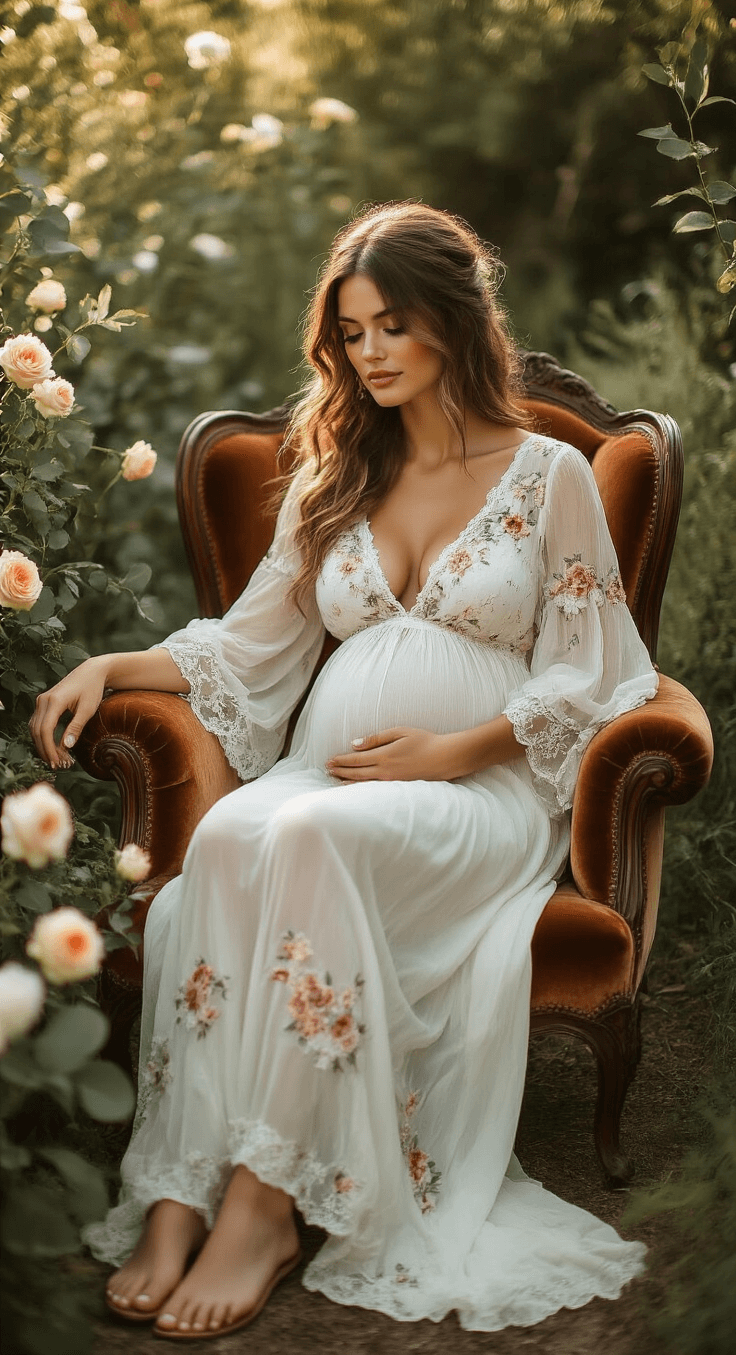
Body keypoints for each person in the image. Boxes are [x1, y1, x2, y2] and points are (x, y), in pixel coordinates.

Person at [31, 202, 658, 1340]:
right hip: (330, 780)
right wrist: (107, 662)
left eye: (392, 327)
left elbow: (595, 671)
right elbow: (250, 640)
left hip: (478, 797)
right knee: (226, 838)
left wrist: (459, 748)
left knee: (313, 837)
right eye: (352, 330)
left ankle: (265, 1206)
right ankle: (181, 1187)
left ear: (456, 327)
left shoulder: (548, 472)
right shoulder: (337, 471)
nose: (367, 353)